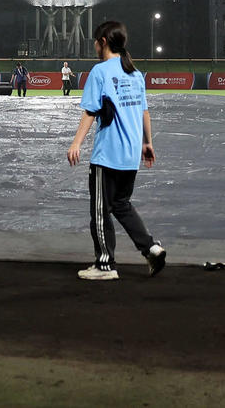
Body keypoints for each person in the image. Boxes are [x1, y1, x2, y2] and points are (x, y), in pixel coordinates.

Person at [67, 20, 166, 282]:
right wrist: (148, 143)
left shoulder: (100, 72)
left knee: (99, 211)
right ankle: (151, 248)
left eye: (96, 43)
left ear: (103, 42)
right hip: (130, 155)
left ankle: (104, 265)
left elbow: (91, 110)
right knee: (121, 205)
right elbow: (143, 110)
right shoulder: (135, 73)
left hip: (108, 154)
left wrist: (76, 143)